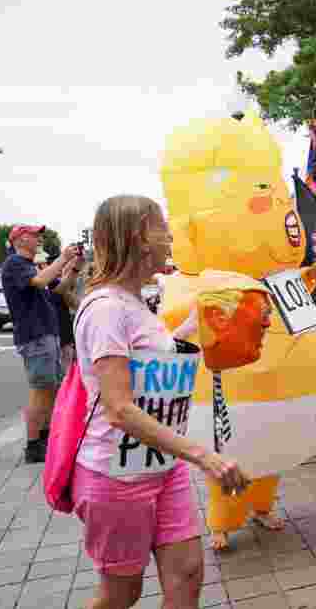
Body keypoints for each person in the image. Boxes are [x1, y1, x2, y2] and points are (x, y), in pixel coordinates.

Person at [74, 195, 253, 609]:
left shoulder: (136, 302)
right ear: (139, 237)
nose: (170, 237)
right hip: (116, 478)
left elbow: (161, 358)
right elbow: (119, 409)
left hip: (162, 466)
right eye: (162, 228)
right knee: (122, 594)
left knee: (188, 571)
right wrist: (204, 456)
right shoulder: (105, 310)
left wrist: (202, 317)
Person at [1, 226, 81, 463]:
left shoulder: (29, 265)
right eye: (36, 235)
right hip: (35, 336)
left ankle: (44, 439)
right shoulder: (15, 263)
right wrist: (63, 258)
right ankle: (33, 445)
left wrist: (74, 267)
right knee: (40, 390)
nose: (40, 239)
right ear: (22, 239)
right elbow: (39, 281)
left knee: (50, 388)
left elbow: (57, 289)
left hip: (46, 334)